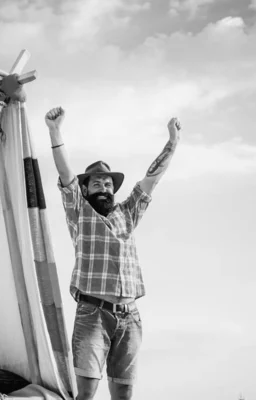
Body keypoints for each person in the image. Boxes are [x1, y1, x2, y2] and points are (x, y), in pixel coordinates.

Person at [44, 107, 182, 400]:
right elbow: (66, 174)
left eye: (108, 184)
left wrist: (172, 142)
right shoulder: (78, 212)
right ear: (85, 190)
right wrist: (55, 131)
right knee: (86, 393)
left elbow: (151, 178)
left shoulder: (127, 213)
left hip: (130, 316)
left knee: (124, 393)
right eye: (97, 183)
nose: (104, 187)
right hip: (93, 313)